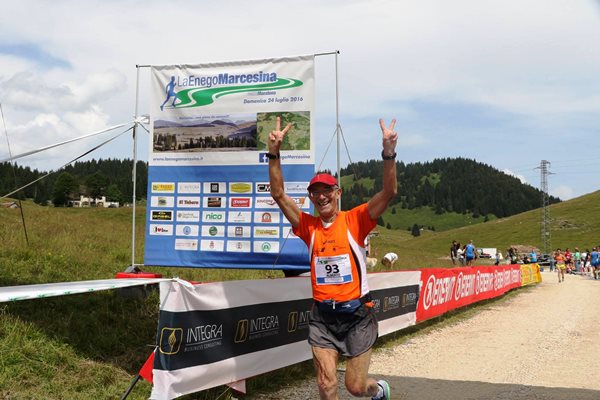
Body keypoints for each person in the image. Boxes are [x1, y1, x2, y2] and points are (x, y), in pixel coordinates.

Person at [267, 116, 397, 400]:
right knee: (326, 383)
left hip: (357, 316)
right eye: (315, 192)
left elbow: (389, 192)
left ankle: (378, 390)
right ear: (311, 198)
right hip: (323, 317)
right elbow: (278, 194)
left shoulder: (355, 220)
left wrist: (388, 152)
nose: (322, 196)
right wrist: (274, 154)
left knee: (356, 387)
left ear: (338, 193)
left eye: (327, 190)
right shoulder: (308, 227)